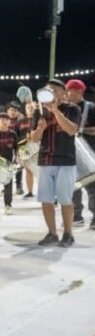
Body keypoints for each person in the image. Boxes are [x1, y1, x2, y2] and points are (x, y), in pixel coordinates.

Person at [32, 79, 80, 247]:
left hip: (65, 160)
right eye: (47, 89)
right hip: (45, 160)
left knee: (65, 199)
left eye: (53, 89)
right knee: (46, 200)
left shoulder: (72, 109)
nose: (50, 91)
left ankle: (68, 234)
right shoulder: (39, 111)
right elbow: (33, 139)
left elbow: (72, 130)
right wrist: (40, 129)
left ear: (63, 92)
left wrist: (56, 111)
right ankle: (52, 233)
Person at [65, 79, 95, 228]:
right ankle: (76, 216)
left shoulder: (91, 108)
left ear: (79, 91)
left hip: (90, 152)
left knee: (92, 186)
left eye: (68, 90)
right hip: (71, 153)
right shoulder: (67, 109)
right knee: (73, 185)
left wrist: (81, 130)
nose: (66, 93)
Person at [0, 113, 18, 215]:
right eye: (2, 119)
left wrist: (16, 158)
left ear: (9, 122)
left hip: (8, 163)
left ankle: (8, 205)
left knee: (8, 185)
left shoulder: (13, 134)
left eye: (6, 119)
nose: (4, 121)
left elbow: (16, 148)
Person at [7, 102, 26, 195]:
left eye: (15, 110)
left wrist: (19, 150)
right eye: (11, 110)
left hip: (17, 147)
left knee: (18, 167)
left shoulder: (20, 122)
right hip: (6, 148)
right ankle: (7, 185)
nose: (13, 112)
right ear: (7, 111)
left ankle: (19, 186)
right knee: (7, 168)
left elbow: (22, 136)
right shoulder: (3, 121)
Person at [19, 101, 37, 197]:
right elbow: (16, 136)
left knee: (40, 170)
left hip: (37, 147)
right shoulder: (20, 122)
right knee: (28, 169)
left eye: (32, 107)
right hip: (23, 147)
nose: (30, 109)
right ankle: (30, 192)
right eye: (28, 107)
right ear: (25, 109)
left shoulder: (39, 119)